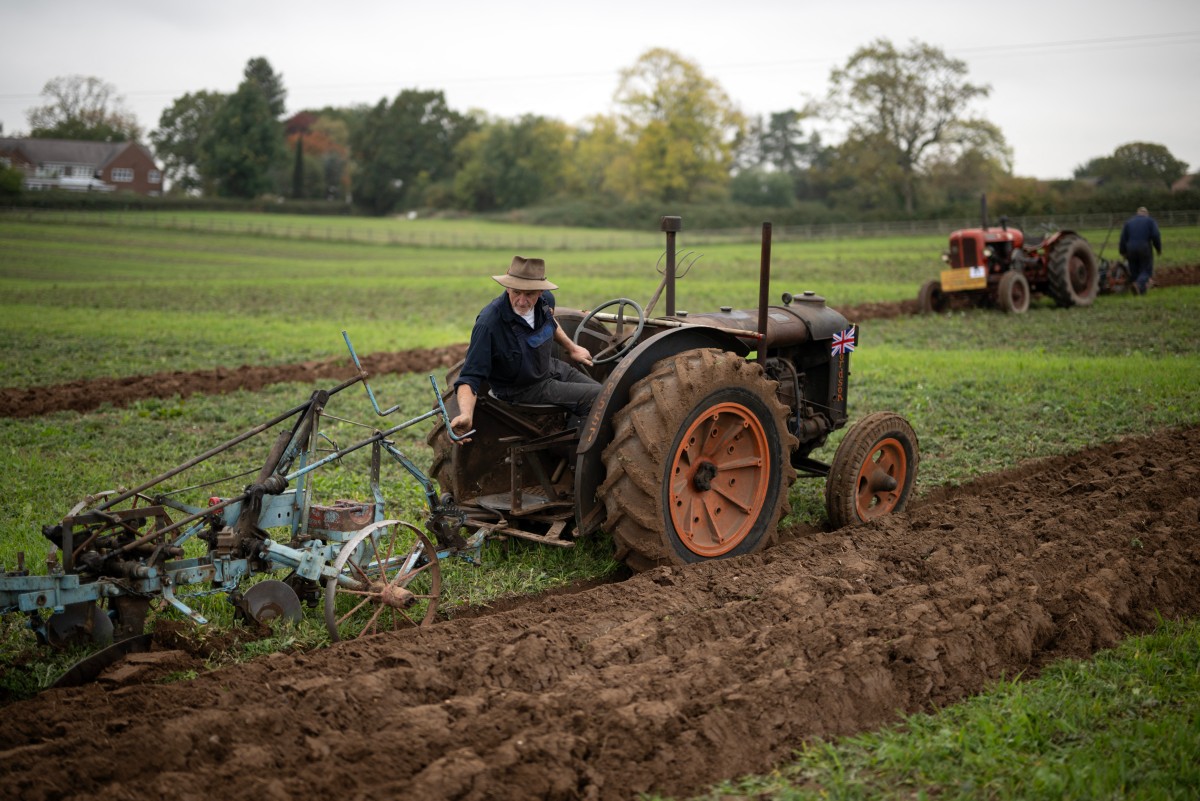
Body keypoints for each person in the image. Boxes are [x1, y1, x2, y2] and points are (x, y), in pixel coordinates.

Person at [450, 256, 600, 442]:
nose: (522, 301)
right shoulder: (489, 324)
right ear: (507, 287)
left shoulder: (545, 300)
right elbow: (469, 376)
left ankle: (572, 433)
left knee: (606, 393)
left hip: (549, 368)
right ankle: (579, 461)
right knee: (598, 400)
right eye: (516, 292)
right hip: (520, 389)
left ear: (540, 291)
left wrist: (572, 347)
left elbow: (550, 321)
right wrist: (466, 414)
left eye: (529, 294)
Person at [1119, 206, 1163, 295]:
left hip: (1130, 248)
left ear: (1137, 213)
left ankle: (1140, 292)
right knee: (1146, 270)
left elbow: (1123, 238)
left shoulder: (1129, 222)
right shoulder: (1150, 221)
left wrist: (1123, 252)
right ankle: (1138, 285)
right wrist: (1158, 249)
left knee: (1134, 270)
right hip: (1144, 247)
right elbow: (1155, 235)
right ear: (1146, 214)